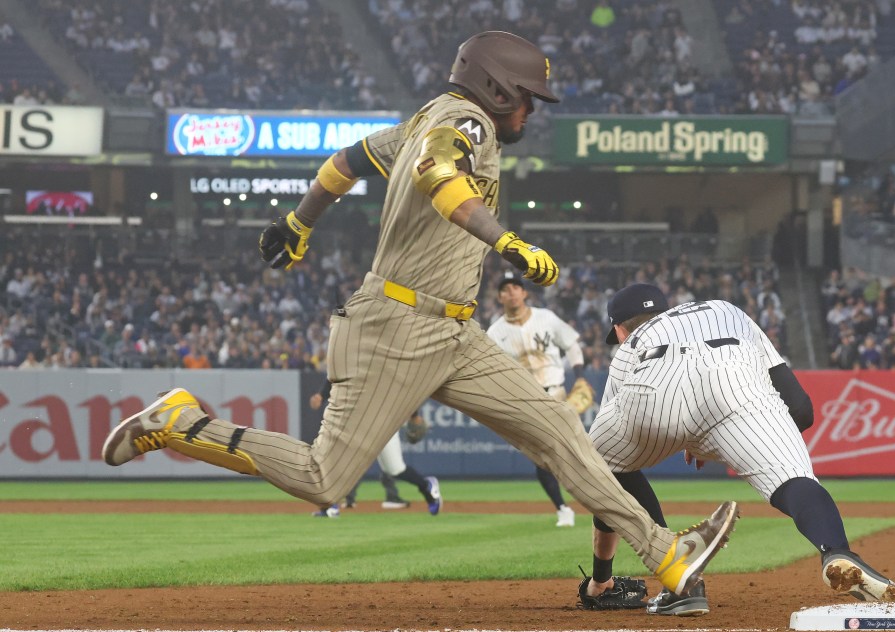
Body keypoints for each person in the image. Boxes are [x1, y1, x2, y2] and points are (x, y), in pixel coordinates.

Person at [101, 31, 737, 600]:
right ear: (497, 89)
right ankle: (182, 423)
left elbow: (345, 161)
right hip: (395, 327)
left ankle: (666, 556)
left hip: (454, 331)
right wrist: (506, 241)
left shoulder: (421, 120)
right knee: (326, 479)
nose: (530, 112)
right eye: (527, 98)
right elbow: (438, 170)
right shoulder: (469, 121)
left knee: (561, 431)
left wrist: (300, 220)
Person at [583, 283, 895, 615]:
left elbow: (611, 470)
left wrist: (600, 578)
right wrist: (726, 438)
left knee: (603, 467)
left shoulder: (629, 347)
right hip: (734, 382)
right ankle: (837, 552)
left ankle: (678, 577)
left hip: (654, 383)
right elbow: (801, 409)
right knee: (794, 480)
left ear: (620, 329)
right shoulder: (726, 309)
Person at [487, 274, 590, 527]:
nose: (511, 292)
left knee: (575, 449)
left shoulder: (545, 317)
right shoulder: (495, 332)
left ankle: (596, 500)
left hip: (556, 393)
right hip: (525, 400)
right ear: (499, 297)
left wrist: (579, 377)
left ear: (524, 293)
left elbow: (572, 344)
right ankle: (563, 508)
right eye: (505, 289)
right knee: (542, 456)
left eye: (515, 287)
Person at [308, 381, 440, 516]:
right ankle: (330, 506)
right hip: (358, 419)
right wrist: (321, 395)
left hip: (385, 421)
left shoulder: (382, 365)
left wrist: (414, 415)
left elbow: (404, 384)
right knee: (341, 460)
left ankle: (426, 487)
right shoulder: (353, 363)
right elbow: (336, 373)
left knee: (395, 468)